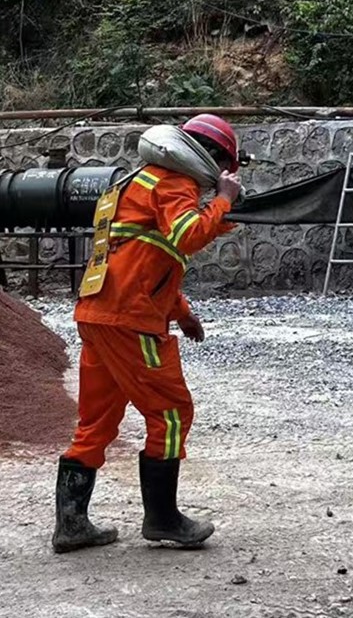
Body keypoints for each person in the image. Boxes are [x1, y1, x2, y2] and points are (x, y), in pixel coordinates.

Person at [52, 114, 242, 553]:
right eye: (225, 166)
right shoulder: (173, 182)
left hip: (98, 315)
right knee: (172, 412)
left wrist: (182, 312)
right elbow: (188, 234)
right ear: (211, 158)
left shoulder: (132, 183)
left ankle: (71, 525)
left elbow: (143, 258)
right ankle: (163, 518)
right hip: (131, 321)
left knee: (96, 422)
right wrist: (224, 200)